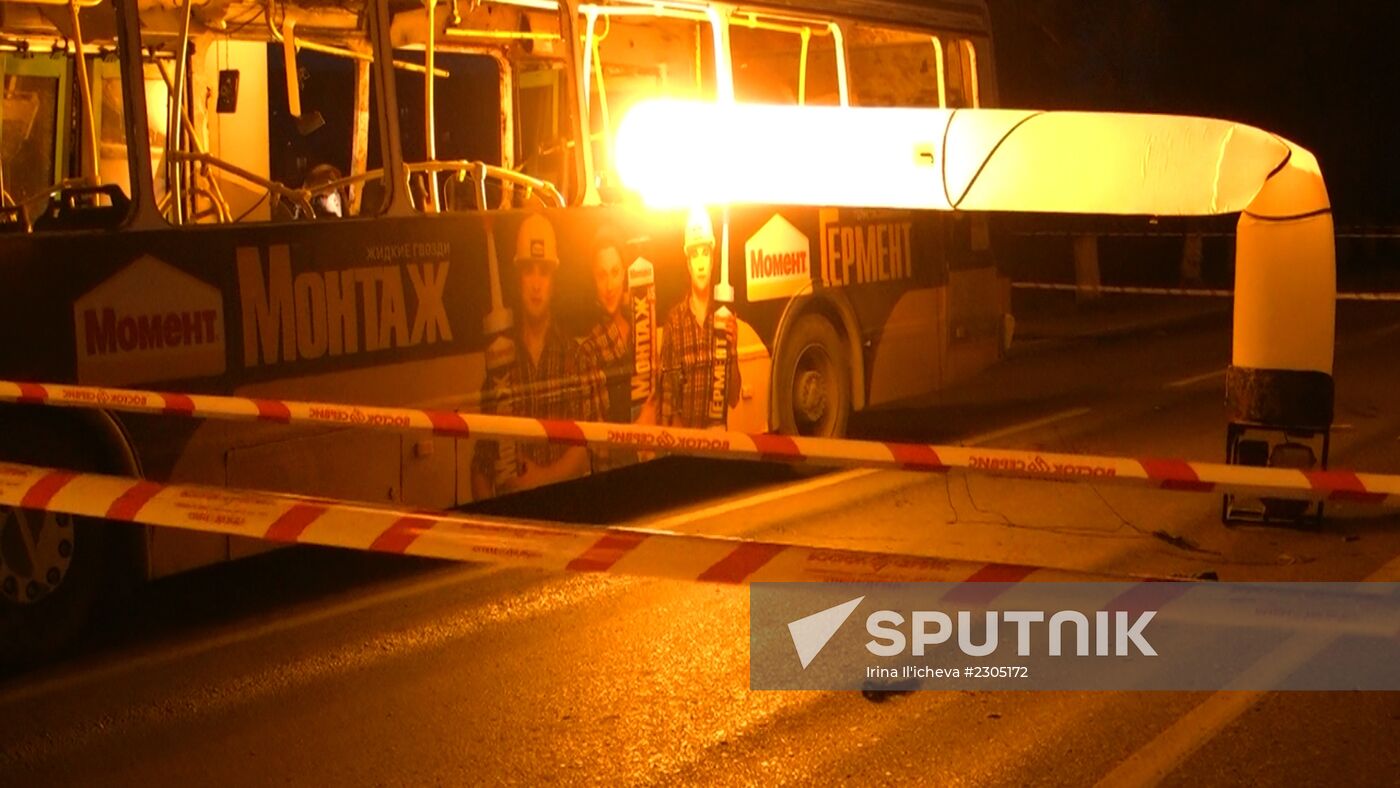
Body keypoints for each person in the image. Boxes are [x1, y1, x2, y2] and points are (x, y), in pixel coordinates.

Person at [471, 213, 602, 497]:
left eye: (543, 271)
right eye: (529, 270)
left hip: (564, 514)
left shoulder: (573, 358)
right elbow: (482, 464)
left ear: (553, 279)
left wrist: (540, 479)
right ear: (518, 277)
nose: (536, 283)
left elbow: (581, 450)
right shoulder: (499, 365)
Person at [657, 207, 740, 429]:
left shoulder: (725, 319)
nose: (701, 263)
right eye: (695, 255)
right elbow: (667, 404)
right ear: (688, 264)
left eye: (706, 253)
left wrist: (733, 351)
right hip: (686, 447)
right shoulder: (674, 322)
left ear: (713, 260)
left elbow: (733, 399)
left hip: (718, 447)